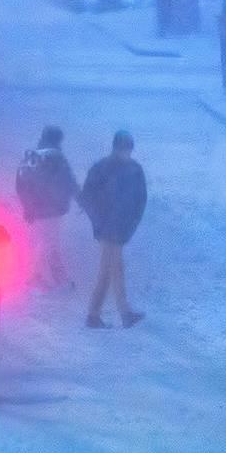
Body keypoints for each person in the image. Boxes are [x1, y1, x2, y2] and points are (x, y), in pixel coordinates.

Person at [79, 129, 148, 329]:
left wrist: (130, 222)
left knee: (111, 269)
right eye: (125, 148)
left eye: (129, 149)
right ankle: (114, 313)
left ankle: (101, 313)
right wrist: (99, 221)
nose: (127, 153)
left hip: (118, 226)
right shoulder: (108, 168)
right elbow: (88, 197)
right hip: (109, 227)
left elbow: (140, 200)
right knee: (112, 269)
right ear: (117, 148)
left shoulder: (128, 169)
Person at [15, 124, 77, 290]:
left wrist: (28, 207)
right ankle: (38, 279)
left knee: (47, 243)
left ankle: (53, 279)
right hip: (52, 209)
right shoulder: (56, 157)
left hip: (36, 209)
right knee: (49, 244)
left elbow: (20, 184)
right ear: (57, 139)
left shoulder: (31, 157)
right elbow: (69, 181)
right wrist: (82, 200)